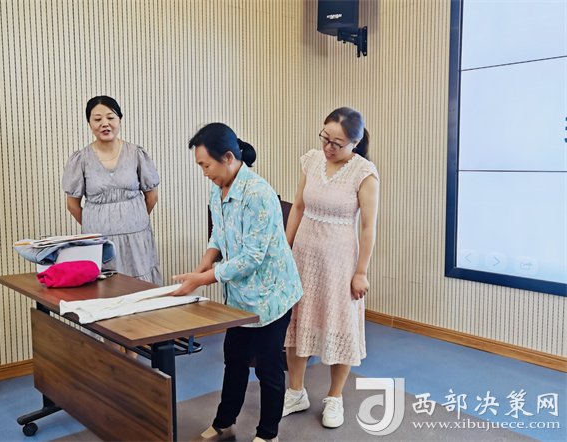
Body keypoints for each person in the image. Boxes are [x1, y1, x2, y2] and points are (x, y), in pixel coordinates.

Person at [171, 123, 302, 442]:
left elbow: (252, 257)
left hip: (272, 296)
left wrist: (203, 279)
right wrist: (204, 264)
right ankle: (224, 422)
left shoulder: (258, 193)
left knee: (268, 367)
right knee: (234, 360)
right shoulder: (218, 188)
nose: (204, 173)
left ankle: (268, 434)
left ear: (228, 158)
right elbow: (218, 234)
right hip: (241, 297)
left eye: (206, 165)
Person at [282, 107, 380, 428]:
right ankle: (295, 392)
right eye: (325, 138)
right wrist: (285, 249)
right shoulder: (311, 161)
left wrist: (361, 272)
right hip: (304, 255)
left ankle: (334, 397)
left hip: (340, 261)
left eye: (337, 143)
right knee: (297, 321)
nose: (328, 147)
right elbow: (298, 206)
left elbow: (368, 228)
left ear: (355, 142)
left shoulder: (364, 173)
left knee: (339, 324)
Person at [62, 96, 163, 285]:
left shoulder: (136, 154)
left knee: (140, 289)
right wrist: (96, 225)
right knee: (104, 289)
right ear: (89, 123)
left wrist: (132, 220)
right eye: (97, 119)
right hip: (99, 242)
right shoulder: (81, 159)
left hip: (136, 238)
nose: (105, 124)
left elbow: (152, 196)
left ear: (120, 120)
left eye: (110, 117)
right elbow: (72, 205)